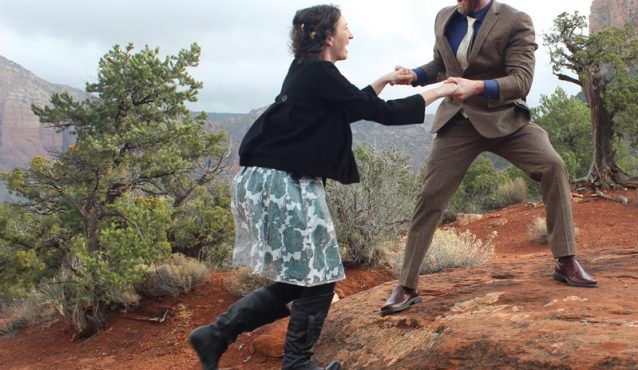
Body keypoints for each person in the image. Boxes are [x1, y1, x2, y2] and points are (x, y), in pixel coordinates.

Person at [187, 5, 457, 370]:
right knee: (320, 277)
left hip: (274, 181)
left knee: (306, 279)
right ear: (328, 36)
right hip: (281, 183)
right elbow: (383, 114)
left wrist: (381, 81)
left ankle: (217, 334)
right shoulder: (318, 72)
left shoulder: (308, 70)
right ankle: (295, 362)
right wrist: (441, 89)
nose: (352, 35)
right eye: (347, 28)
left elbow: (349, 107)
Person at [381, 0, 597, 317]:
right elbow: (442, 66)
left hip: (505, 119)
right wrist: (413, 75)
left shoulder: (515, 21)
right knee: (430, 196)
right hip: (457, 123)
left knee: (553, 166)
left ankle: (566, 260)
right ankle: (407, 284)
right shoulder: (444, 18)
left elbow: (521, 80)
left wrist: (478, 86)